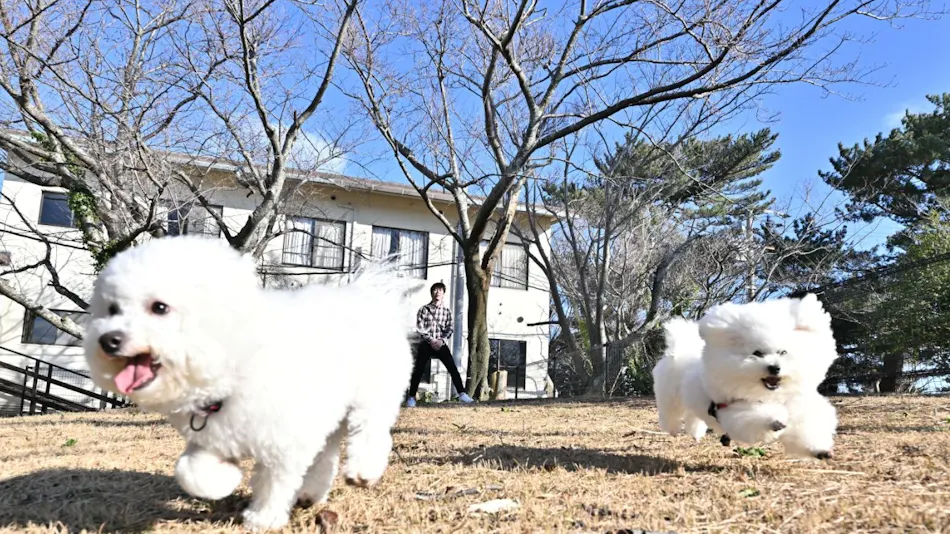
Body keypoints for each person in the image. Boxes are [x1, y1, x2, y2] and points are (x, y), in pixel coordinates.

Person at [406, 282, 474, 406]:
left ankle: (462, 394)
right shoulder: (424, 309)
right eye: (435, 290)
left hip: (441, 343)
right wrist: (431, 340)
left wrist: (441, 340)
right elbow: (420, 327)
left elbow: (450, 328)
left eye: (440, 290)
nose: (437, 293)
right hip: (427, 343)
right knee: (418, 370)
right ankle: (411, 397)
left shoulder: (447, 311)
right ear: (431, 293)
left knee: (452, 368)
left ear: (443, 293)